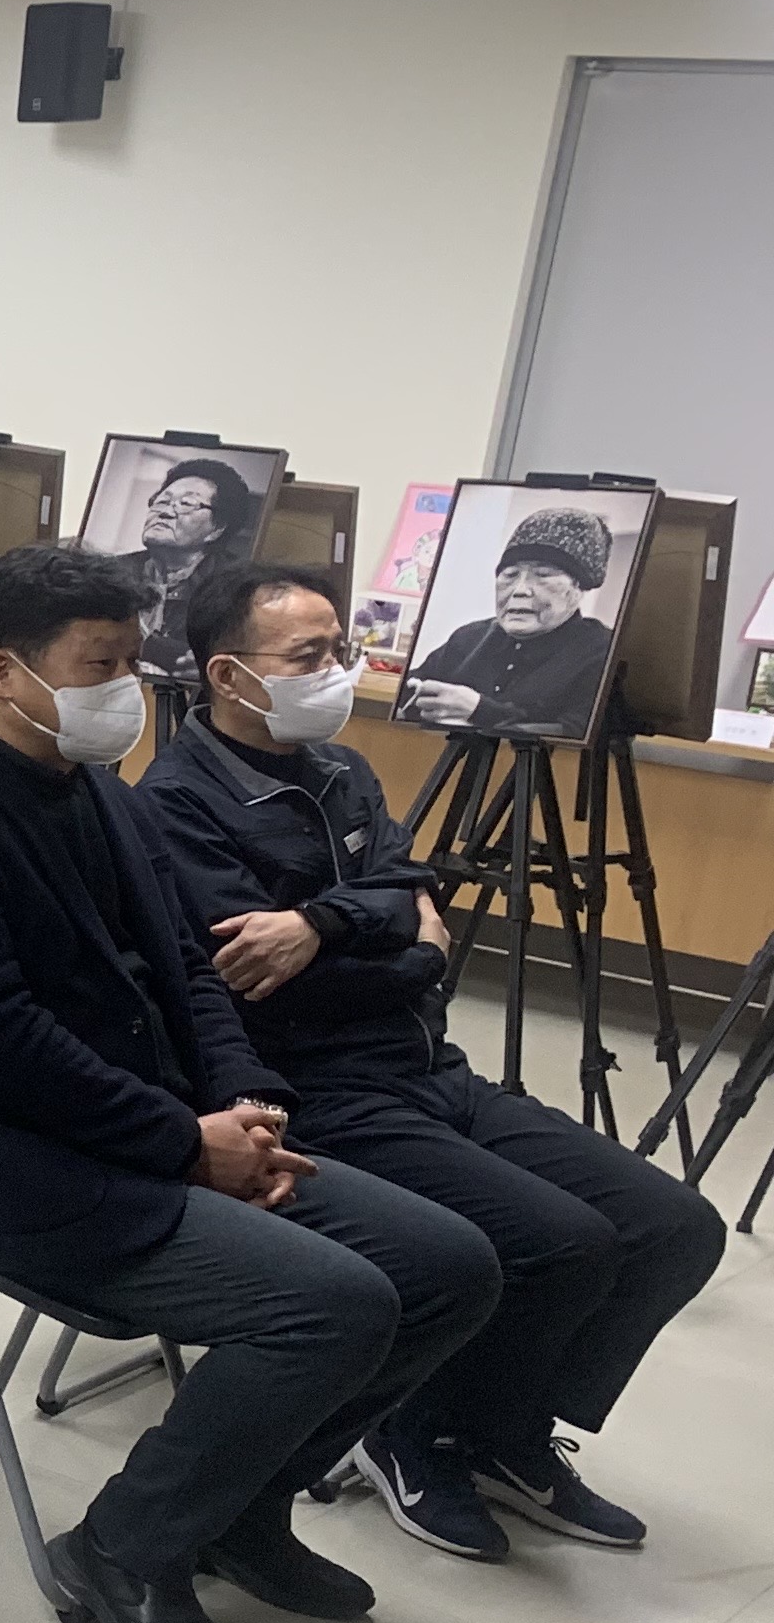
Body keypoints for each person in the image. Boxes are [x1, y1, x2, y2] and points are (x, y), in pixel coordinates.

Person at [0, 545, 502, 1623]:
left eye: (130, 664)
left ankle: (239, 1511)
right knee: (335, 1304)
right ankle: (124, 1546)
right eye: (99, 667)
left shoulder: (96, 788)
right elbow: (2, 1049)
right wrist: (185, 1144)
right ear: (1, 673)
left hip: (166, 1135)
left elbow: (193, 973)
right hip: (32, 1174)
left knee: (452, 1267)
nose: (127, 692)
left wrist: (247, 1105)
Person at [147, 563, 720, 1559]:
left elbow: (415, 891)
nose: (337, 671)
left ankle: (502, 1429)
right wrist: (400, 945)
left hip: (426, 1066)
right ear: (231, 675)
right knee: (562, 1243)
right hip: (320, 1088)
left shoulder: (342, 769)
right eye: (310, 655)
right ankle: (413, 1432)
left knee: (674, 1226)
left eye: (341, 649)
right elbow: (267, 979)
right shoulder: (174, 805)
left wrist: (325, 925)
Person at [403, 505, 621, 738]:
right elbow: (410, 689)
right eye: (510, 575)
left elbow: (578, 733)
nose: (520, 590)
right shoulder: (469, 638)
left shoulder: (603, 651)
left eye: (543, 575)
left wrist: (479, 710)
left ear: (579, 588)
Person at [102, 454, 264, 679]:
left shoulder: (234, 588)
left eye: (186, 504)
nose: (165, 511)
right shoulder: (110, 573)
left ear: (217, 528)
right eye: (162, 501)